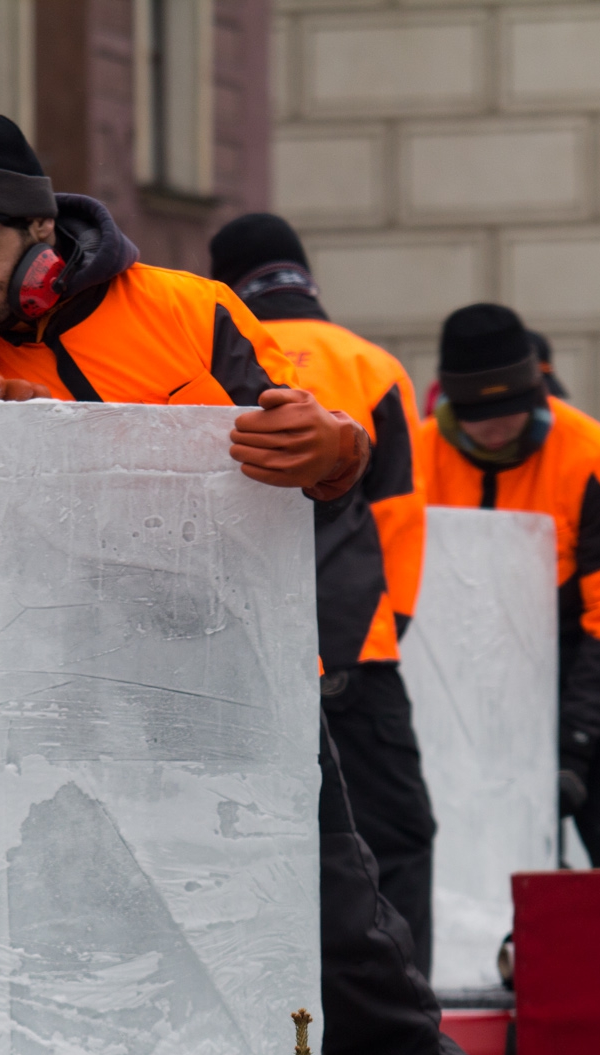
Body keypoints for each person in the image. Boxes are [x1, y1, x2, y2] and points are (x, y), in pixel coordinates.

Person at [0, 112, 507, 1055]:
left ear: (39, 230)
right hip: (68, 705)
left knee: (341, 929)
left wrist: (329, 453)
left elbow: (308, 474)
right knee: (83, 943)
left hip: (233, 680)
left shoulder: (191, 311)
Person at [207, 213, 439, 979]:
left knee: (259, 859)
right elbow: (399, 515)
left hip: (235, 662)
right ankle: (386, 1045)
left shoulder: (206, 354)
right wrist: (378, 631)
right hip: (350, 657)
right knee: (388, 846)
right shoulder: (371, 366)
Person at [415, 304, 600, 870]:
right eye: (480, 414)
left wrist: (574, 746)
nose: (498, 426)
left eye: (512, 408)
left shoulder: (597, 459)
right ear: (450, 404)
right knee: (482, 867)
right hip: (471, 689)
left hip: (598, 676)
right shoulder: (414, 459)